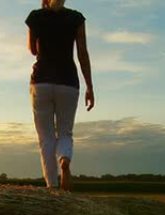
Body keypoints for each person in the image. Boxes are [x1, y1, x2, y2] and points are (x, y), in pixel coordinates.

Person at [26, 0, 94, 191]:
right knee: (65, 132)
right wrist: (89, 86)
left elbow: (33, 50)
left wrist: (42, 16)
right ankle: (64, 158)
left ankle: (52, 187)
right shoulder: (75, 18)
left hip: (41, 81)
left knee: (46, 137)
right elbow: (82, 52)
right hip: (68, 82)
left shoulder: (36, 17)